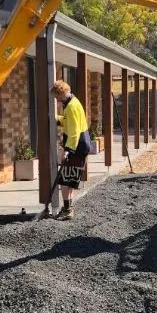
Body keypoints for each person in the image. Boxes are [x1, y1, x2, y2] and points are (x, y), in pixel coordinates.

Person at [52, 80, 92, 220]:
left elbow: (74, 131)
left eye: (57, 98)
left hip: (77, 146)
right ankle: (68, 208)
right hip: (81, 146)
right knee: (71, 178)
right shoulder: (72, 102)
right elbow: (69, 121)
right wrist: (57, 119)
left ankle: (67, 210)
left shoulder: (71, 107)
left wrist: (67, 150)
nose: (57, 101)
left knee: (65, 179)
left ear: (61, 93)